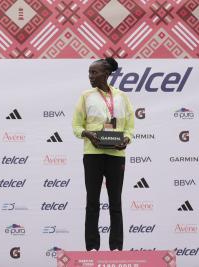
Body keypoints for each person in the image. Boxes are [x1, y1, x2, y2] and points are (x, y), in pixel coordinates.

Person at [72, 58, 134, 251]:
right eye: (90, 72)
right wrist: (87, 134)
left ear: (106, 74)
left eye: (94, 72)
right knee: (92, 202)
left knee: (115, 202)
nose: (90, 76)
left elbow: (129, 127)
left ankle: (116, 248)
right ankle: (92, 248)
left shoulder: (122, 96)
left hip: (116, 155)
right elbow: (76, 125)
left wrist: (126, 140)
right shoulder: (85, 96)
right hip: (93, 154)